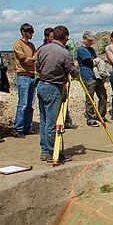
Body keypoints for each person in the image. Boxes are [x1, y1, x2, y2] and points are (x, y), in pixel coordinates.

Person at [35, 25, 78, 162]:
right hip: (53, 88)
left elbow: (37, 66)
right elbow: (73, 72)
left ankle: (45, 150)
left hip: (42, 85)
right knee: (52, 123)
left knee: (44, 120)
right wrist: (76, 68)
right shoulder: (64, 53)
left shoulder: (42, 49)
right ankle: (52, 152)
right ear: (65, 37)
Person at [76, 31, 107, 126]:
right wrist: (96, 62)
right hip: (88, 76)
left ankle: (101, 115)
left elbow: (95, 61)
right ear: (84, 39)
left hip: (96, 76)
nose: (91, 42)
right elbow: (90, 62)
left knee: (103, 96)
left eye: (92, 40)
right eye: (89, 40)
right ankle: (90, 118)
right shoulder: (81, 50)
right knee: (90, 98)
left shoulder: (92, 50)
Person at [12, 23, 37, 138]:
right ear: (24, 32)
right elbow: (24, 60)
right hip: (23, 76)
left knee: (30, 104)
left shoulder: (31, 45)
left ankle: (27, 127)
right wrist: (32, 59)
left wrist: (32, 59)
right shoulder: (18, 44)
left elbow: (35, 57)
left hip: (32, 76)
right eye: (29, 32)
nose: (31, 34)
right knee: (22, 103)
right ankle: (18, 128)